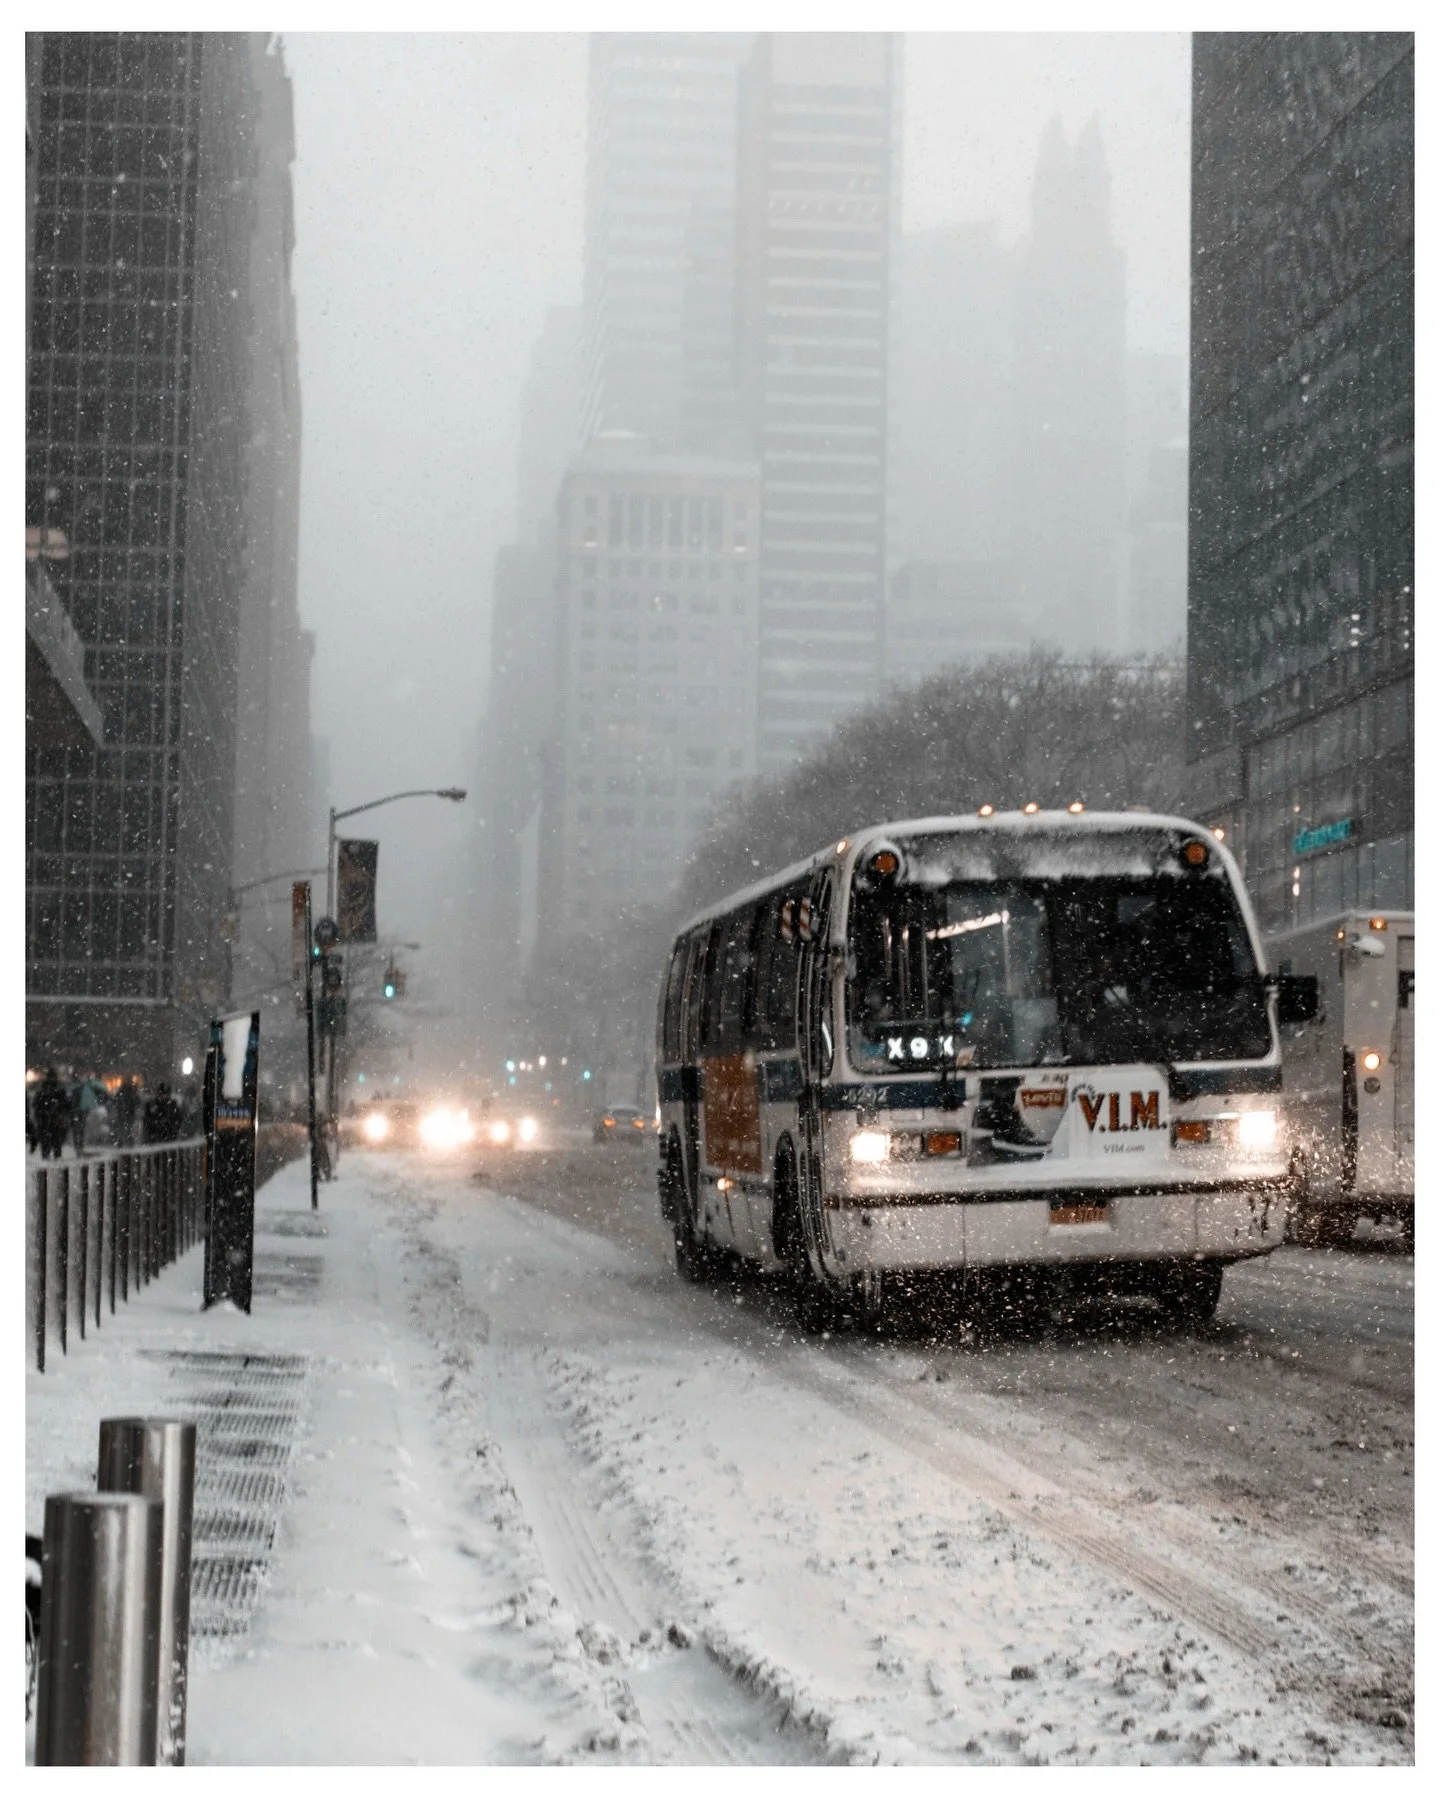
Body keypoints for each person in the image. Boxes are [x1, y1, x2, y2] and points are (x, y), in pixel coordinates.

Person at [32, 1069, 70, 1161]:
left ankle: (50, 1156)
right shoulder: (55, 1089)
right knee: (53, 1140)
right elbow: (67, 1105)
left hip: (50, 1119)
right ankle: (51, 1156)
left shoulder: (46, 1089)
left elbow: (36, 1104)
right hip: (49, 1119)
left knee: (52, 1139)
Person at [113, 1075, 140, 1149]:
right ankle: (126, 1142)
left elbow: (116, 1100)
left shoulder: (123, 1091)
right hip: (127, 1112)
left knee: (124, 1128)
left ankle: (123, 1142)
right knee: (127, 1128)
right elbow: (137, 1101)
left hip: (125, 1112)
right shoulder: (131, 1091)